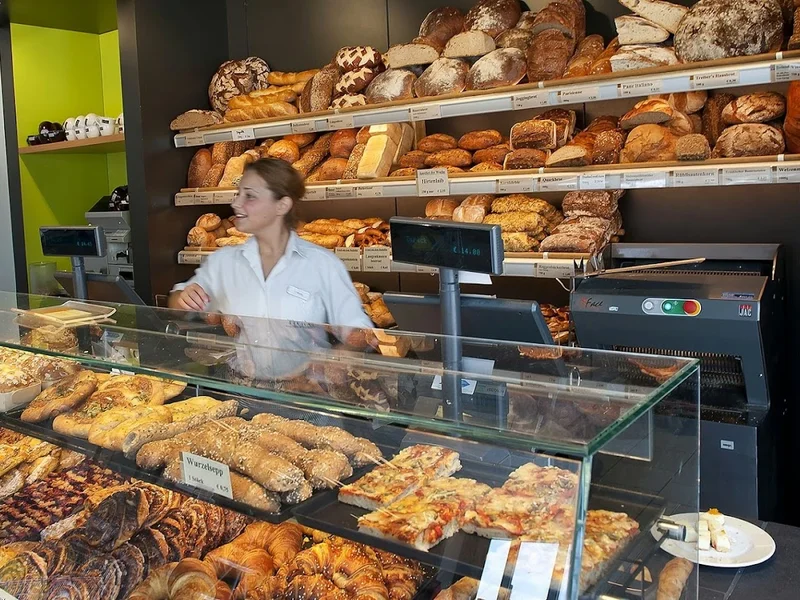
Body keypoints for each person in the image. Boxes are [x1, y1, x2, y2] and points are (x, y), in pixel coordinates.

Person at [169, 158, 371, 376]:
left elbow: (360, 334)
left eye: (250, 197)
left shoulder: (322, 266)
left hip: (306, 393)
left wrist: (343, 355)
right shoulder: (225, 261)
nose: (236, 204)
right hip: (246, 390)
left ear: (282, 205)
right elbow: (176, 304)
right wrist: (184, 297)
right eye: (238, 194)